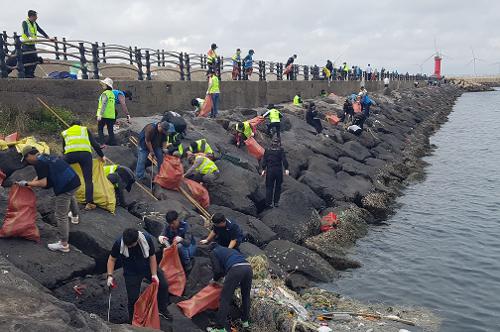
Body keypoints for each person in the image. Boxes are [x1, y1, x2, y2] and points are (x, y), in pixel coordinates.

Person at [17, 146, 80, 253]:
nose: (27, 162)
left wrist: (27, 183)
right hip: (74, 180)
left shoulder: (38, 163)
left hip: (64, 186)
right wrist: (32, 183)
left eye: (26, 159)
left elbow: (43, 183)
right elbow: (42, 175)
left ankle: (64, 244)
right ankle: (75, 216)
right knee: (70, 196)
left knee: (61, 215)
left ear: (29, 155)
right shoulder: (46, 156)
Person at [107, 228, 171, 321]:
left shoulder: (147, 238)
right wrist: (110, 276)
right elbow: (112, 259)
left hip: (147, 266)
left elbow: (152, 256)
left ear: (137, 240)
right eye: (126, 245)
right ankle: (132, 321)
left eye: (130, 245)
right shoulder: (119, 243)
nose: (128, 247)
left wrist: (154, 274)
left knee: (163, 285)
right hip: (131, 272)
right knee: (133, 299)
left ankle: (162, 309)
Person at [206, 243, 253, 332]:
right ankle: (245, 321)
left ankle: (219, 328)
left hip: (236, 269)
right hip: (248, 268)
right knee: (246, 296)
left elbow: (218, 271)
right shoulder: (229, 250)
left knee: (225, 299)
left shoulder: (213, 252)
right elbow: (226, 265)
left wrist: (214, 280)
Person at [61, 120, 105, 210]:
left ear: (71, 125)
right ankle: (89, 203)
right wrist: (102, 156)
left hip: (70, 156)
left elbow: (64, 150)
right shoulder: (84, 129)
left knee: (64, 175)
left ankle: (65, 198)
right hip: (85, 155)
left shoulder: (65, 132)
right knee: (88, 179)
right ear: (80, 125)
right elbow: (95, 145)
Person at [21, 10, 52, 78]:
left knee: (34, 59)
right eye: (35, 16)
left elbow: (40, 30)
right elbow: (26, 31)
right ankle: (27, 74)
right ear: (31, 16)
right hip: (26, 45)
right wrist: (29, 38)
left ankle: (30, 73)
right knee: (28, 59)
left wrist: (48, 38)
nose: (36, 17)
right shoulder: (25, 23)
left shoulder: (35, 23)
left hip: (32, 45)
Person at [261, 137, 289, 208]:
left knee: (269, 187)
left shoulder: (267, 150)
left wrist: (263, 169)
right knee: (278, 187)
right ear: (279, 143)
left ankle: (268, 203)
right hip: (278, 171)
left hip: (270, 171)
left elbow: (264, 160)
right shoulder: (281, 150)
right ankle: (276, 202)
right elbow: (284, 160)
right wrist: (286, 169)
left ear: (272, 143)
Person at [96, 77, 117, 146]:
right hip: (111, 115)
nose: (102, 85)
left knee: (100, 129)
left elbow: (104, 103)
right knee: (110, 129)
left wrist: (100, 114)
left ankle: (102, 143)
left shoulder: (105, 93)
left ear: (106, 85)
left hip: (104, 115)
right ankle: (112, 142)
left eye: (104, 84)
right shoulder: (112, 94)